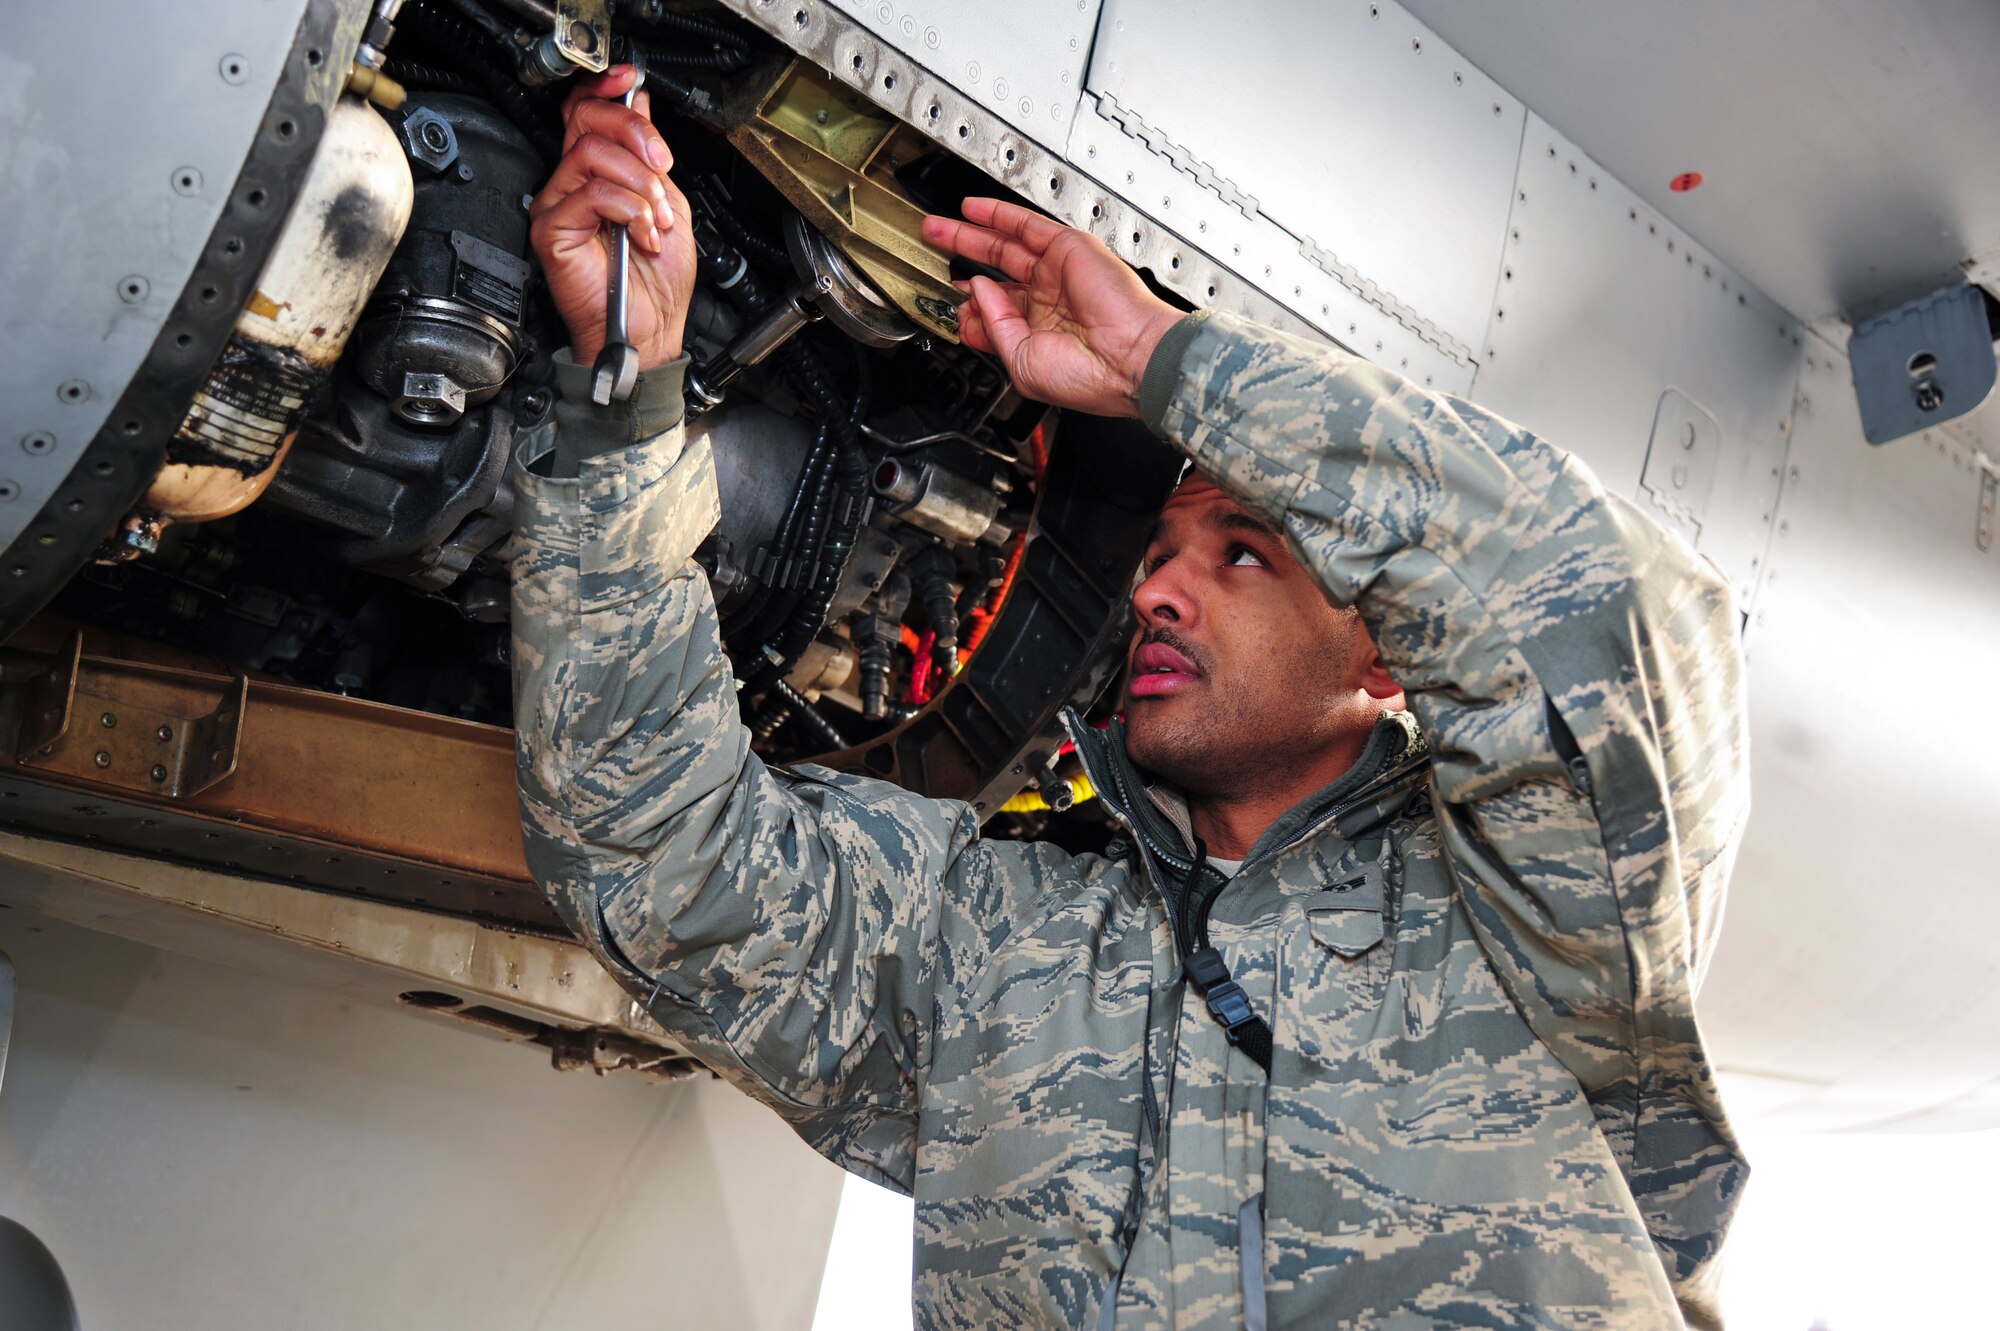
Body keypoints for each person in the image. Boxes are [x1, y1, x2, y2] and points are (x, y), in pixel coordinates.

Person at [511, 66, 1750, 1331]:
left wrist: (1168, 363)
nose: (1157, 589)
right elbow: (657, 856)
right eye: (1157, 552)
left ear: (1384, 654)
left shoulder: (1535, 921)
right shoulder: (997, 938)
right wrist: (624, 395)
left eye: (1243, 552)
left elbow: (1590, 607)